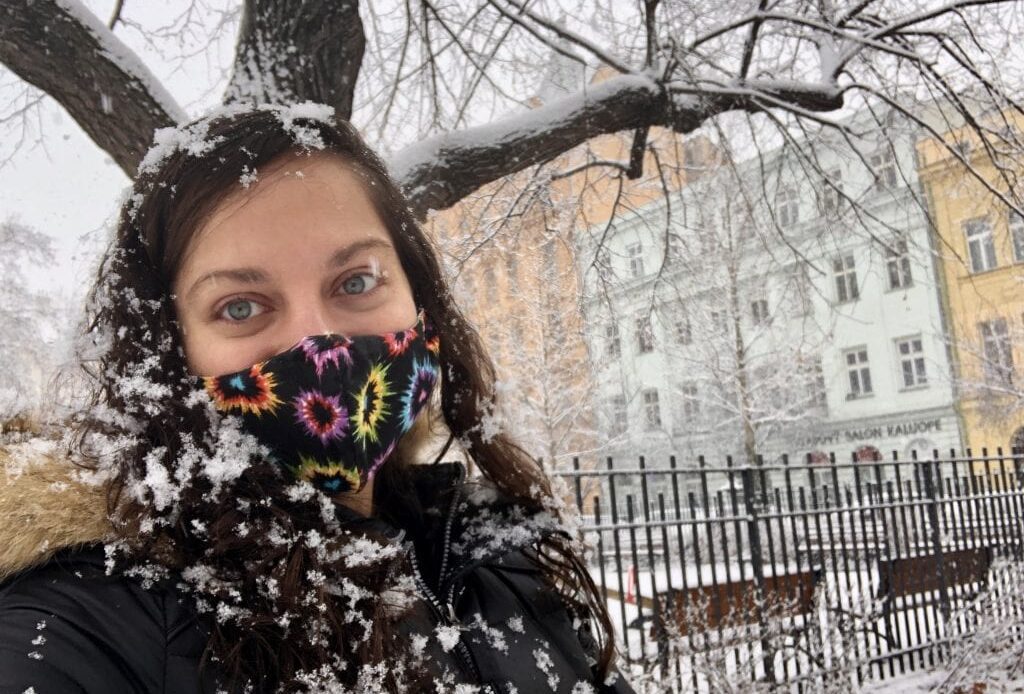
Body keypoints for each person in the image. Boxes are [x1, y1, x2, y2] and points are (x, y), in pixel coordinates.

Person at [0, 104, 636, 694]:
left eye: (356, 280)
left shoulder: (490, 553)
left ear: (419, 297)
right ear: (168, 349)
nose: (320, 342)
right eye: (240, 306)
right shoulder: (92, 617)